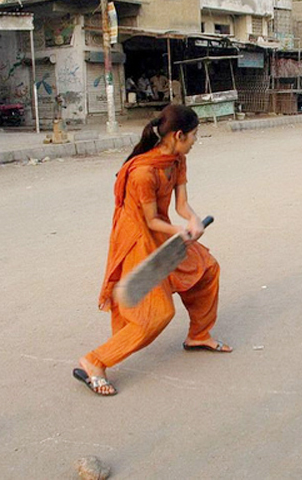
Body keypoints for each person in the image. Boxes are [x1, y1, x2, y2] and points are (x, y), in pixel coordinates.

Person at [74, 104, 231, 396]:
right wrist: (183, 232)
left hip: (162, 233)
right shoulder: (143, 172)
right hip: (138, 239)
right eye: (194, 135)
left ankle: (199, 335)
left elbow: (181, 205)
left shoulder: (177, 159)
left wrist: (193, 220)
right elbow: (150, 220)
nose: (196, 140)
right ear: (179, 134)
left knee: (207, 269)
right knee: (156, 314)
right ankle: (94, 362)